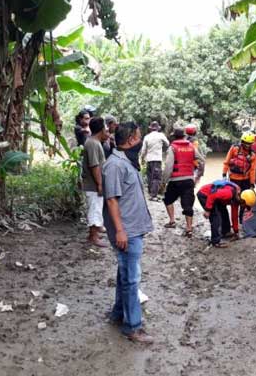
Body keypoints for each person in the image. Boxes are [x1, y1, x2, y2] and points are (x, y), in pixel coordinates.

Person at [102, 122, 154, 344]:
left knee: (125, 273)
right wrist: (120, 231)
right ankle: (132, 327)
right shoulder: (114, 165)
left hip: (132, 228)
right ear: (132, 139)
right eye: (140, 137)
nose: (141, 141)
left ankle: (117, 314)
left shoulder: (126, 162)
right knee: (132, 279)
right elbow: (111, 199)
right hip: (127, 231)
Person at [162, 128, 205, 237]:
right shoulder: (191, 147)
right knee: (188, 204)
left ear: (174, 137)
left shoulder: (172, 148)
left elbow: (168, 166)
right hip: (188, 180)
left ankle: (172, 221)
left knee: (168, 199)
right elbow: (201, 160)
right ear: (184, 136)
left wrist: (164, 181)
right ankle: (189, 228)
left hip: (175, 181)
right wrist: (198, 175)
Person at [197, 181, 256, 247]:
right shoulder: (229, 194)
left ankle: (225, 232)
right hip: (205, 194)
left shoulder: (237, 198)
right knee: (215, 217)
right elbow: (213, 195)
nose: (244, 207)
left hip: (214, 196)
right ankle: (215, 242)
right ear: (243, 200)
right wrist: (208, 210)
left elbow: (234, 216)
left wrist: (236, 232)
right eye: (245, 205)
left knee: (224, 211)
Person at [82, 117, 109, 248]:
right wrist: (99, 184)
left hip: (94, 184)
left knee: (97, 208)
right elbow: (94, 165)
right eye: (105, 128)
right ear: (101, 129)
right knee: (94, 209)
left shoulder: (95, 142)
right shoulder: (93, 143)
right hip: (92, 185)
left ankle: (95, 233)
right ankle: (93, 236)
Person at [222, 132, 256, 221]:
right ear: (242, 141)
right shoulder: (234, 149)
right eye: (246, 143)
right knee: (234, 200)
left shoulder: (253, 155)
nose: (248, 145)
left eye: (250, 144)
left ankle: (241, 217)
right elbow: (227, 161)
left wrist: (252, 184)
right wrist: (224, 174)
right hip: (234, 179)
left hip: (246, 179)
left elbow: (253, 170)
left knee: (245, 199)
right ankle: (234, 219)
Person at [141, 121, 169, 201]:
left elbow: (143, 150)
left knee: (150, 177)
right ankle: (153, 196)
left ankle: (151, 192)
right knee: (156, 178)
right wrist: (163, 149)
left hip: (149, 159)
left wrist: (142, 158)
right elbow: (167, 143)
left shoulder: (147, 137)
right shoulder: (161, 135)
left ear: (150, 129)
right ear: (158, 128)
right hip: (157, 159)